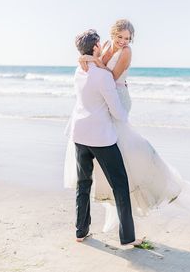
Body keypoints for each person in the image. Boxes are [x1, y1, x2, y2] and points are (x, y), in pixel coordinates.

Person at [65, 19, 190, 232]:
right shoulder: (105, 45)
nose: (124, 42)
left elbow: (110, 76)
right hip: (103, 96)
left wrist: (91, 61)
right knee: (106, 142)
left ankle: (137, 182)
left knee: (121, 145)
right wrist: (90, 59)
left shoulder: (126, 53)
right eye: (120, 37)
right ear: (112, 35)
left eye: (128, 38)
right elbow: (98, 72)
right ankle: (112, 187)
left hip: (117, 95)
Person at [67, 29, 142, 245]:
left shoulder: (78, 70)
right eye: (101, 44)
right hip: (101, 138)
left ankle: (80, 232)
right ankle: (128, 238)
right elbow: (118, 112)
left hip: (79, 135)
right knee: (120, 184)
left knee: (83, 183)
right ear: (96, 47)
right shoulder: (102, 76)